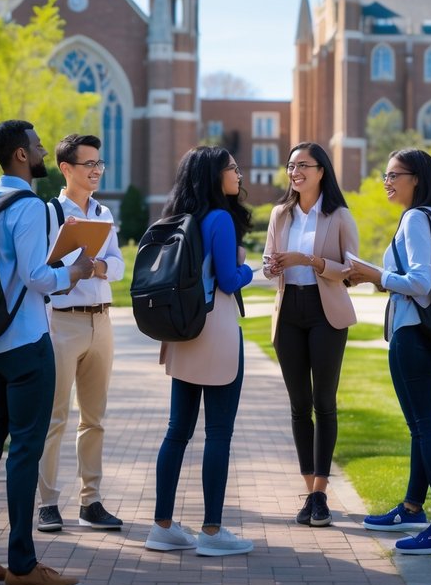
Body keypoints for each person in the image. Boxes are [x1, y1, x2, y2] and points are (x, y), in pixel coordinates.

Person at [0, 120, 93, 585]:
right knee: (24, 452)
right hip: (26, 340)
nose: (40, 151)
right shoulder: (31, 206)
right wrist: (74, 270)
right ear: (21, 155)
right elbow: (38, 277)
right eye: (36, 146)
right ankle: (22, 564)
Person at [346, 149, 431, 555]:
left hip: (412, 333)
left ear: (416, 178)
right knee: (422, 426)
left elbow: (419, 281)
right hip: (426, 332)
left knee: (427, 427)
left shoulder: (417, 218)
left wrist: (373, 275)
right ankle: (413, 507)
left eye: (393, 174)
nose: (386, 181)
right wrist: (377, 278)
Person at [144, 146, 255, 557]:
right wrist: (252, 268)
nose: (239, 174)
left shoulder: (176, 217)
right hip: (217, 331)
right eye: (232, 168)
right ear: (214, 175)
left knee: (177, 431)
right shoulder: (220, 219)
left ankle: (163, 525)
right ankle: (211, 531)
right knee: (219, 434)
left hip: (181, 331)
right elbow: (228, 280)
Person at [262, 142, 358, 527]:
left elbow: (350, 269)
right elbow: (271, 264)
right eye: (291, 165)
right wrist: (273, 267)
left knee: (324, 401)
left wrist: (310, 261)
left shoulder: (338, 215)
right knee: (298, 405)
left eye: (303, 165)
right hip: (289, 313)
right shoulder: (279, 214)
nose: (295, 171)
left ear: (321, 171)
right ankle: (309, 491)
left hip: (325, 313)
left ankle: (321, 493)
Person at [36, 134, 125, 534]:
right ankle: (48, 503)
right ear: (66, 169)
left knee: (95, 419)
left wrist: (101, 268)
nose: (96, 171)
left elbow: (120, 266)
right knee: (55, 417)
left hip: (101, 321)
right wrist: (77, 264)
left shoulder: (104, 212)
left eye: (99, 164)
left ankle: (91, 502)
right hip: (62, 322)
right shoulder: (50, 213)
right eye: (88, 164)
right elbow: (41, 268)